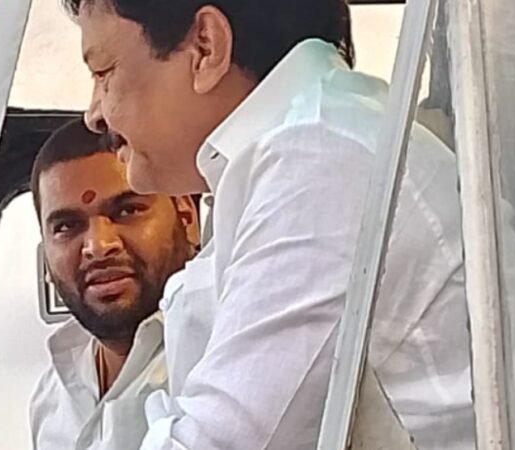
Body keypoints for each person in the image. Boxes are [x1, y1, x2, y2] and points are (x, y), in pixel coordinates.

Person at [63, 0, 477, 448]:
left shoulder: (317, 159)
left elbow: (223, 439)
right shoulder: (305, 147)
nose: (94, 114)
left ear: (205, 46)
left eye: (104, 72)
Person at [28, 119, 200, 450]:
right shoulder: (52, 397)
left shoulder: (223, 354)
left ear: (187, 217)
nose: (98, 246)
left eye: (127, 210)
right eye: (66, 226)